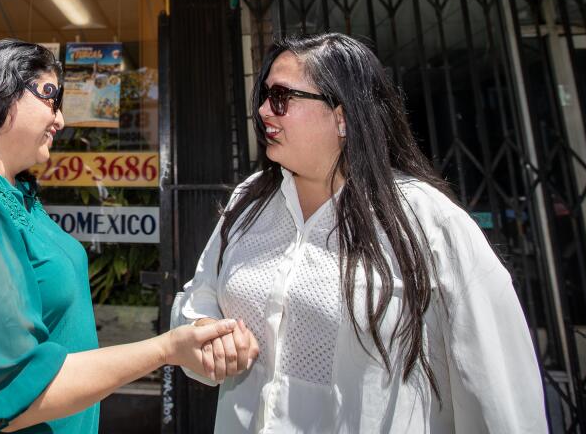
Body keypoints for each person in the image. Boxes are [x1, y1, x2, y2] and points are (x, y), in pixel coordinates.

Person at [0, 39, 258, 433]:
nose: (60, 120)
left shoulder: (15, 194)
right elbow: (1, 392)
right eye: (49, 97)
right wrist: (166, 349)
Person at [173, 33, 547, 432]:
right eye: (264, 95)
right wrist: (203, 333)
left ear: (343, 115)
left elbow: (496, 390)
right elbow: (200, 297)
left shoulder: (427, 220)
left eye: (281, 97)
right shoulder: (249, 202)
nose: (265, 110)